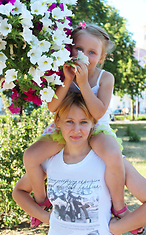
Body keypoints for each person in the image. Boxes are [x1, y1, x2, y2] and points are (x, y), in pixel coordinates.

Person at [23, 22, 128, 226]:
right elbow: (53, 107)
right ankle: (41, 201)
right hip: (66, 128)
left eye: (92, 52)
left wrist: (82, 84)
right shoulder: (61, 73)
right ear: (69, 48)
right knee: (31, 156)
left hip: (96, 129)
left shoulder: (105, 78)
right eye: (79, 49)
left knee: (113, 155)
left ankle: (119, 206)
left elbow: (98, 112)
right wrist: (68, 78)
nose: (84, 56)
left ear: (101, 58)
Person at [12, 93, 146, 235]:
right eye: (69, 121)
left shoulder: (111, 161)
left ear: (93, 122)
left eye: (83, 122)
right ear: (58, 121)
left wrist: (118, 228)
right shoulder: (50, 160)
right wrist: (46, 217)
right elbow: (19, 192)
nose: (76, 130)